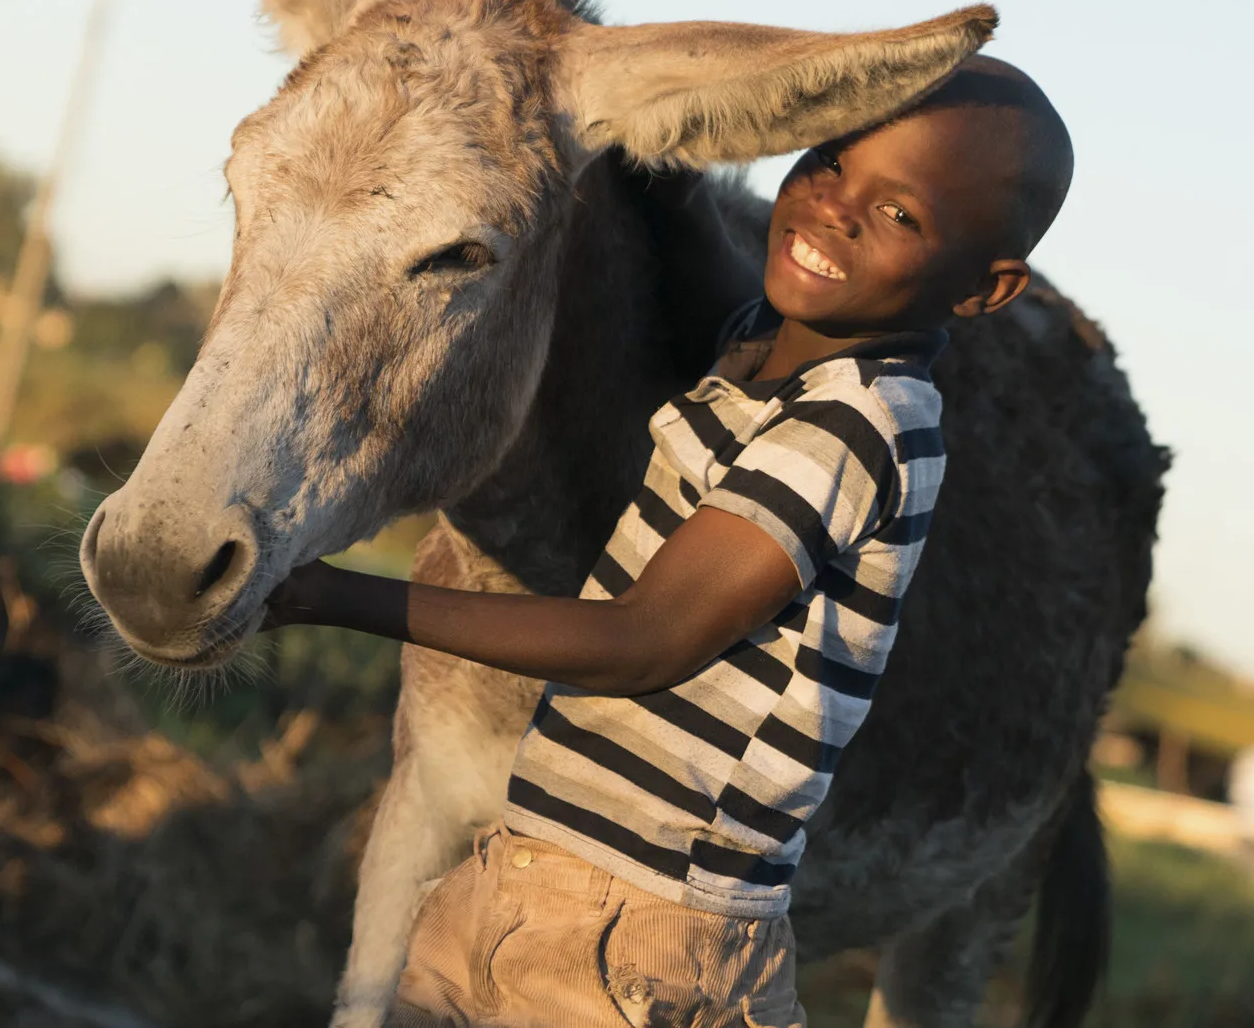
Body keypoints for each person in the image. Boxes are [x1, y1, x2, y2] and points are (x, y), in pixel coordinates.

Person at [263, 55, 1074, 1026]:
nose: (832, 209)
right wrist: (632, 123)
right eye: (825, 162)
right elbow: (697, 255)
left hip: (644, 942)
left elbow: (643, 639)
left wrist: (329, 595)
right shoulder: (769, 348)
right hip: (528, 880)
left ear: (985, 288)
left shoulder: (854, 427)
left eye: (898, 213)